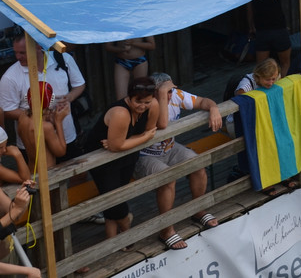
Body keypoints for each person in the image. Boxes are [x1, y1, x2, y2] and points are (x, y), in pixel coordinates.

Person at [138, 73, 222, 251]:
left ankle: (198, 210)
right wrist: (162, 95)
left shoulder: (176, 95)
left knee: (197, 165)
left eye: (171, 90)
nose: (171, 94)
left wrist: (214, 108)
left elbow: (203, 101)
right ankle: (166, 230)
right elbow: (162, 124)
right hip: (145, 155)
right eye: (166, 91)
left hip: (170, 148)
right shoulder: (145, 102)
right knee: (168, 179)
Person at [84, 77, 159, 243]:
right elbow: (119, 145)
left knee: (118, 197)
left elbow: (149, 131)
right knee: (113, 201)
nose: (142, 106)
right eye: (138, 101)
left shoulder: (153, 105)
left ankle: (112, 241)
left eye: (147, 102)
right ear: (129, 97)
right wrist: (141, 138)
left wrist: (126, 141)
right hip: (102, 160)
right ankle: (126, 231)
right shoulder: (120, 113)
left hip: (128, 154)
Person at [0, 31, 86, 159]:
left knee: (76, 168)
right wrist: (41, 114)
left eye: (22, 53)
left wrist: (70, 97)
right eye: (15, 52)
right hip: (33, 142)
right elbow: (7, 111)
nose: (18, 57)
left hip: (67, 133)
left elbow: (79, 85)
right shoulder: (10, 77)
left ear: (38, 47)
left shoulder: (64, 59)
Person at [16, 82, 68, 170]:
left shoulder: (22, 117)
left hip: (31, 170)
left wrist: (49, 117)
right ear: (51, 101)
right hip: (47, 173)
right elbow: (61, 152)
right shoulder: (46, 127)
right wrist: (58, 122)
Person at [247, 0, 292, 76]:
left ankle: (263, 84)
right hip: (279, 30)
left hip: (262, 31)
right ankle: (283, 83)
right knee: (285, 63)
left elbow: (249, 11)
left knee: (261, 67)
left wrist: (251, 27)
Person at [0, 181, 41, 277]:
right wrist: (27, 271)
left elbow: (15, 216)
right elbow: (15, 212)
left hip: (8, 257)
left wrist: (24, 198)